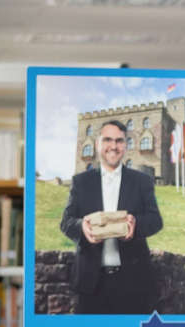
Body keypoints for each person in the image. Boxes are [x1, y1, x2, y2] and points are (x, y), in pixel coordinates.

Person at [59, 119, 163, 314]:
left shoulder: (142, 181)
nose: (113, 146)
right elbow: (66, 222)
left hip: (134, 282)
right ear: (98, 143)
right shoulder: (81, 182)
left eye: (119, 141)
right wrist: (82, 226)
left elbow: (156, 220)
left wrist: (136, 225)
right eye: (108, 140)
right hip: (90, 283)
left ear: (125, 145)